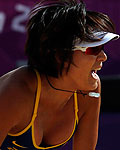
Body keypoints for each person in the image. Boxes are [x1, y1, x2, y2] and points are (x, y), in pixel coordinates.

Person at [0, 0, 119, 150]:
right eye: (94, 49)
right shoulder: (16, 92)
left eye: (103, 47)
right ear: (59, 54)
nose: (104, 56)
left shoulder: (90, 89)